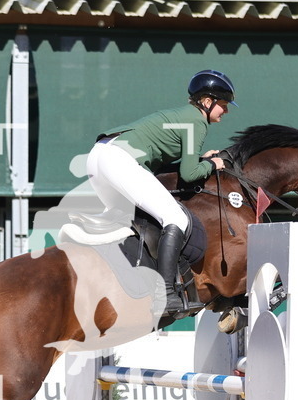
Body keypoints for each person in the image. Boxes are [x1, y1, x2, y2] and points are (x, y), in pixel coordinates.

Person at [86, 69, 236, 312]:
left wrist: (198, 159)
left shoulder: (183, 116)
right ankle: (164, 294)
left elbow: (171, 165)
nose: (226, 111)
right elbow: (189, 175)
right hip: (118, 159)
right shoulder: (197, 121)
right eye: (223, 104)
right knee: (175, 217)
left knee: (125, 223)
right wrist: (211, 163)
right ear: (207, 102)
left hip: (98, 157)